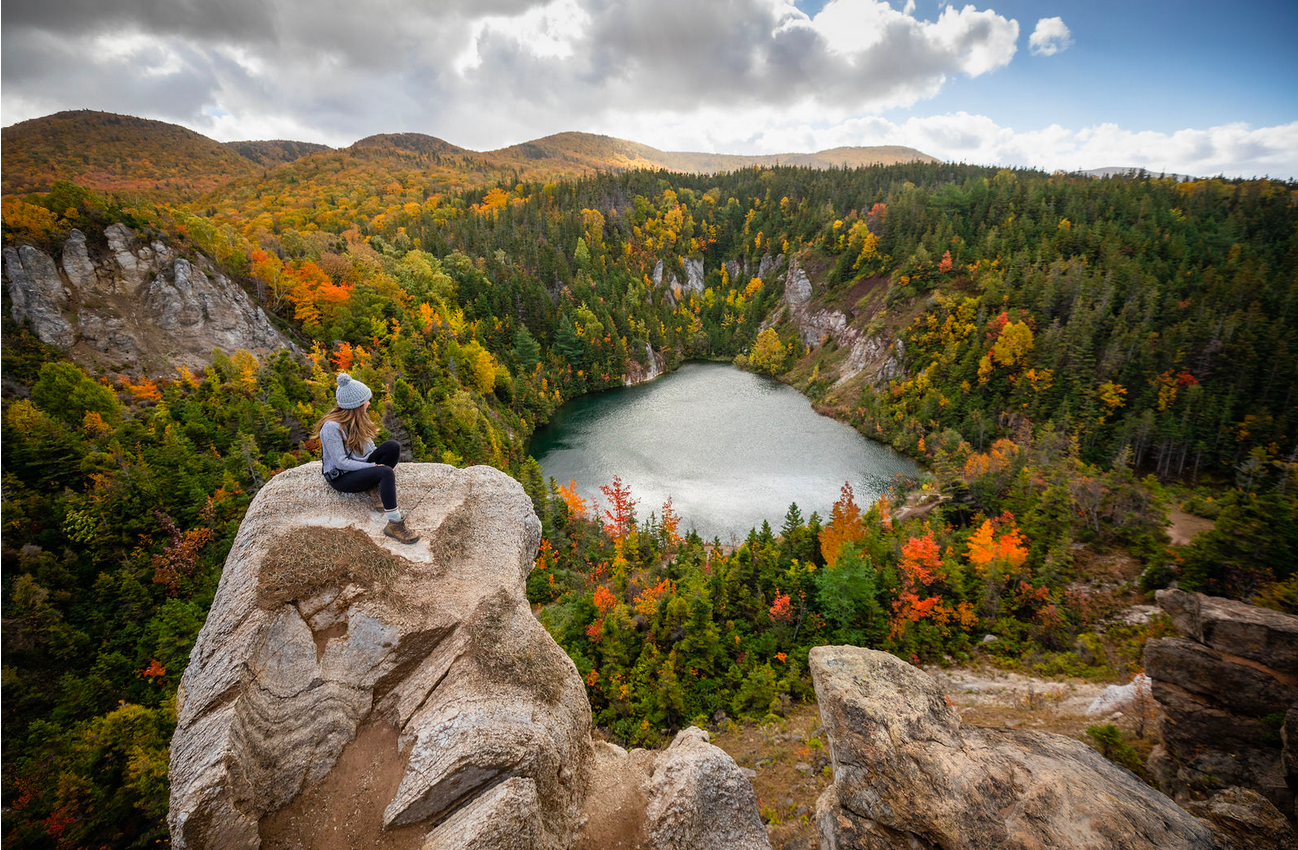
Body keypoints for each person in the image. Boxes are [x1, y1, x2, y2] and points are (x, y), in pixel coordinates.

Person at [314, 373, 419, 544]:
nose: (369, 403)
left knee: (393, 446)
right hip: (342, 476)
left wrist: (376, 463)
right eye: (366, 401)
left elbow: (371, 449)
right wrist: (374, 467)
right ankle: (394, 523)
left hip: (359, 466)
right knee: (385, 473)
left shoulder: (357, 419)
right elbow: (340, 462)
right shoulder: (331, 428)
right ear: (356, 405)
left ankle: (374, 486)